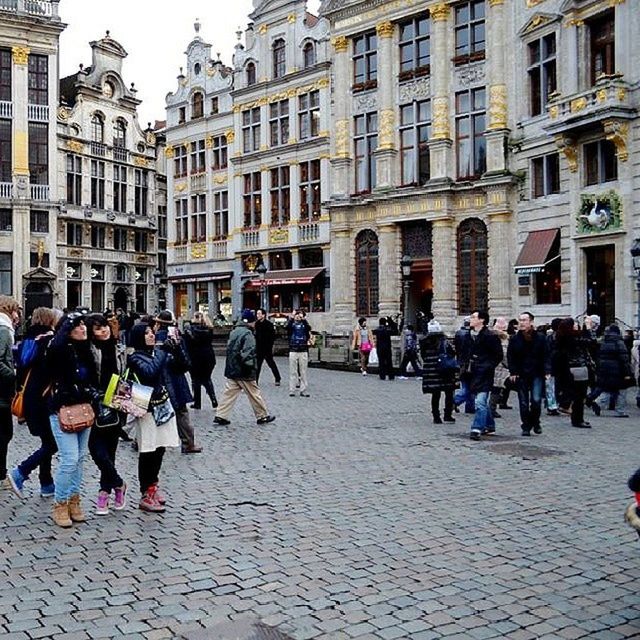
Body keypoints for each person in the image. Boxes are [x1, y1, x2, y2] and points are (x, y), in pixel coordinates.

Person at [47, 313, 100, 527]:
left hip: (83, 408)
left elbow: (93, 379)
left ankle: (73, 500)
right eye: (77, 326)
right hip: (62, 409)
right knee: (69, 458)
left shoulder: (86, 351)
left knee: (79, 458)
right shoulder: (59, 350)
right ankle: (60, 503)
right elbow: (55, 348)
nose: (83, 329)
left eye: (83, 325)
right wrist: (70, 319)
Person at [7, 307, 61, 499]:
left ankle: (46, 483)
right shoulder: (48, 341)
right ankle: (21, 472)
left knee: (47, 441)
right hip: (44, 399)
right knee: (53, 443)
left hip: (30, 398)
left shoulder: (25, 341)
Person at [128, 323, 180, 513]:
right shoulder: (134, 357)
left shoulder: (156, 353)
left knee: (160, 448)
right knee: (148, 450)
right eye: (147, 333)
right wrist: (162, 352)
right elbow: (149, 372)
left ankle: (153, 486)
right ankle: (145, 492)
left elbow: (182, 366)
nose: (151, 335)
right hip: (146, 407)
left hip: (163, 405)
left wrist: (177, 347)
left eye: (152, 332)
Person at [85, 314, 128, 516]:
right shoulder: (89, 350)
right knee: (96, 448)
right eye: (98, 328)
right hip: (96, 403)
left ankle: (105, 492)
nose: (103, 330)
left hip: (117, 404)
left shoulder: (120, 348)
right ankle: (118, 483)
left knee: (110, 450)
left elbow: (126, 373)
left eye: (105, 326)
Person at [213, 309, 276, 426]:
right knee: (254, 393)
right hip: (244, 370)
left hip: (232, 368)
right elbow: (248, 353)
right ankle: (262, 416)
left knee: (229, 393)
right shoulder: (248, 334)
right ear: (251, 322)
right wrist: (251, 368)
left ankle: (221, 415)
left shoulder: (234, 331)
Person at [154, 311, 201, 454]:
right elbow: (186, 361)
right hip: (175, 378)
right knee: (181, 412)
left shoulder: (154, 337)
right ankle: (188, 443)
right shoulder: (177, 337)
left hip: (160, 379)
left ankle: (142, 441)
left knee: (155, 411)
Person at [507, 312, 548, 437]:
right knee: (523, 402)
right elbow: (511, 356)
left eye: (524, 320)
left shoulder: (541, 337)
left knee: (536, 400)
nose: (522, 323)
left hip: (537, 373)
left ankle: (535, 422)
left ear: (531, 322)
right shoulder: (515, 339)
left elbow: (546, 355)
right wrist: (513, 372)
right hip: (521, 374)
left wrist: (547, 371)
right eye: (520, 320)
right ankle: (525, 425)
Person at [468, 311, 503, 441]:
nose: (470, 319)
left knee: (479, 402)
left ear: (481, 320)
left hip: (485, 373)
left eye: (473, 317)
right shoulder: (471, 334)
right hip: (475, 372)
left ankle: (476, 428)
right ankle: (489, 425)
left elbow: (498, 354)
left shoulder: (489, 336)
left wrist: (488, 365)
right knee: (481, 402)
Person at [552, 317, 593, 429]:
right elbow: (590, 342)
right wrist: (588, 329)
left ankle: (576, 417)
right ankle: (578, 419)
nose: (577, 326)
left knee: (576, 395)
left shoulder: (561, 336)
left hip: (569, 369)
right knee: (580, 396)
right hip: (577, 368)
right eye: (575, 324)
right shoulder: (572, 337)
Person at [587, 324, 633, 418]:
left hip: (605, 369)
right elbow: (624, 358)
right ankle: (620, 410)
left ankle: (598, 402)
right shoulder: (619, 342)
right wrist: (627, 373)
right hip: (618, 370)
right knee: (621, 390)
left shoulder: (604, 342)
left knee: (608, 389)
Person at [0, 296, 20, 495]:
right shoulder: (3, 330)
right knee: (4, 433)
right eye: (16, 310)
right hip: (1, 393)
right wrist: (13, 373)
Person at [419, 321, 456, 423]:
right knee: (449, 392)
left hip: (431, 370)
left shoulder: (424, 341)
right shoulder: (444, 340)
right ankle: (447, 415)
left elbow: (423, 356)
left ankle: (436, 417)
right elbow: (452, 353)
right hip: (445, 370)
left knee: (435, 394)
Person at [183, 312, 218, 410]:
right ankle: (213, 399)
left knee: (196, 380)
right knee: (207, 378)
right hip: (209, 357)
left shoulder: (190, 330)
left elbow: (187, 346)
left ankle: (197, 402)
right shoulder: (209, 329)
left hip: (195, 358)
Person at [287, 309, 312, 397]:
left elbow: (309, 329)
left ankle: (303, 389)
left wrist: (303, 319)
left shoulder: (304, 324)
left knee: (303, 371)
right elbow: (287, 328)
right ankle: (292, 389)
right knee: (293, 371)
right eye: (297, 315)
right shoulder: (292, 324)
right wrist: (292, 318)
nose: (298, 317)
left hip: (303, 349)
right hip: (293, 349)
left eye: (300, 315)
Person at [489, 317, 510, 419]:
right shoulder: (503, 339)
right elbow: (504, 354)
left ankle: (491, 408)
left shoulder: (490, 336)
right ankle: (491, 409)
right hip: (499, 367)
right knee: (496, 389)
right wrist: (508, 365)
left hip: (492, 366)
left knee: (493, 389)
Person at [255, 308, 281, 386]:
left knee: (271, 364)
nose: (258, 315)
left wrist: (270, 346)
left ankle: (277, 378)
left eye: (259, 314)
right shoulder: (257, 324)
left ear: (263, 315)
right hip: (259, 348)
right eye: (257, 314)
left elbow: (272, 337)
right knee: (257, 365)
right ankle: (255, 381)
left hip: (267, 348)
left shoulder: (269, 324)